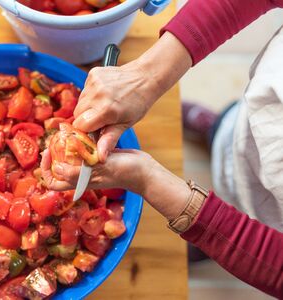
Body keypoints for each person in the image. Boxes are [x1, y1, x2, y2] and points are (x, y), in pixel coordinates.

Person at [40, 0, 283, 297]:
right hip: (269, 118)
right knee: (240, 135)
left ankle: (212, 240)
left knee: (237, 233)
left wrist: (150, 181)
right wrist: (147, 77)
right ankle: (219, 130)